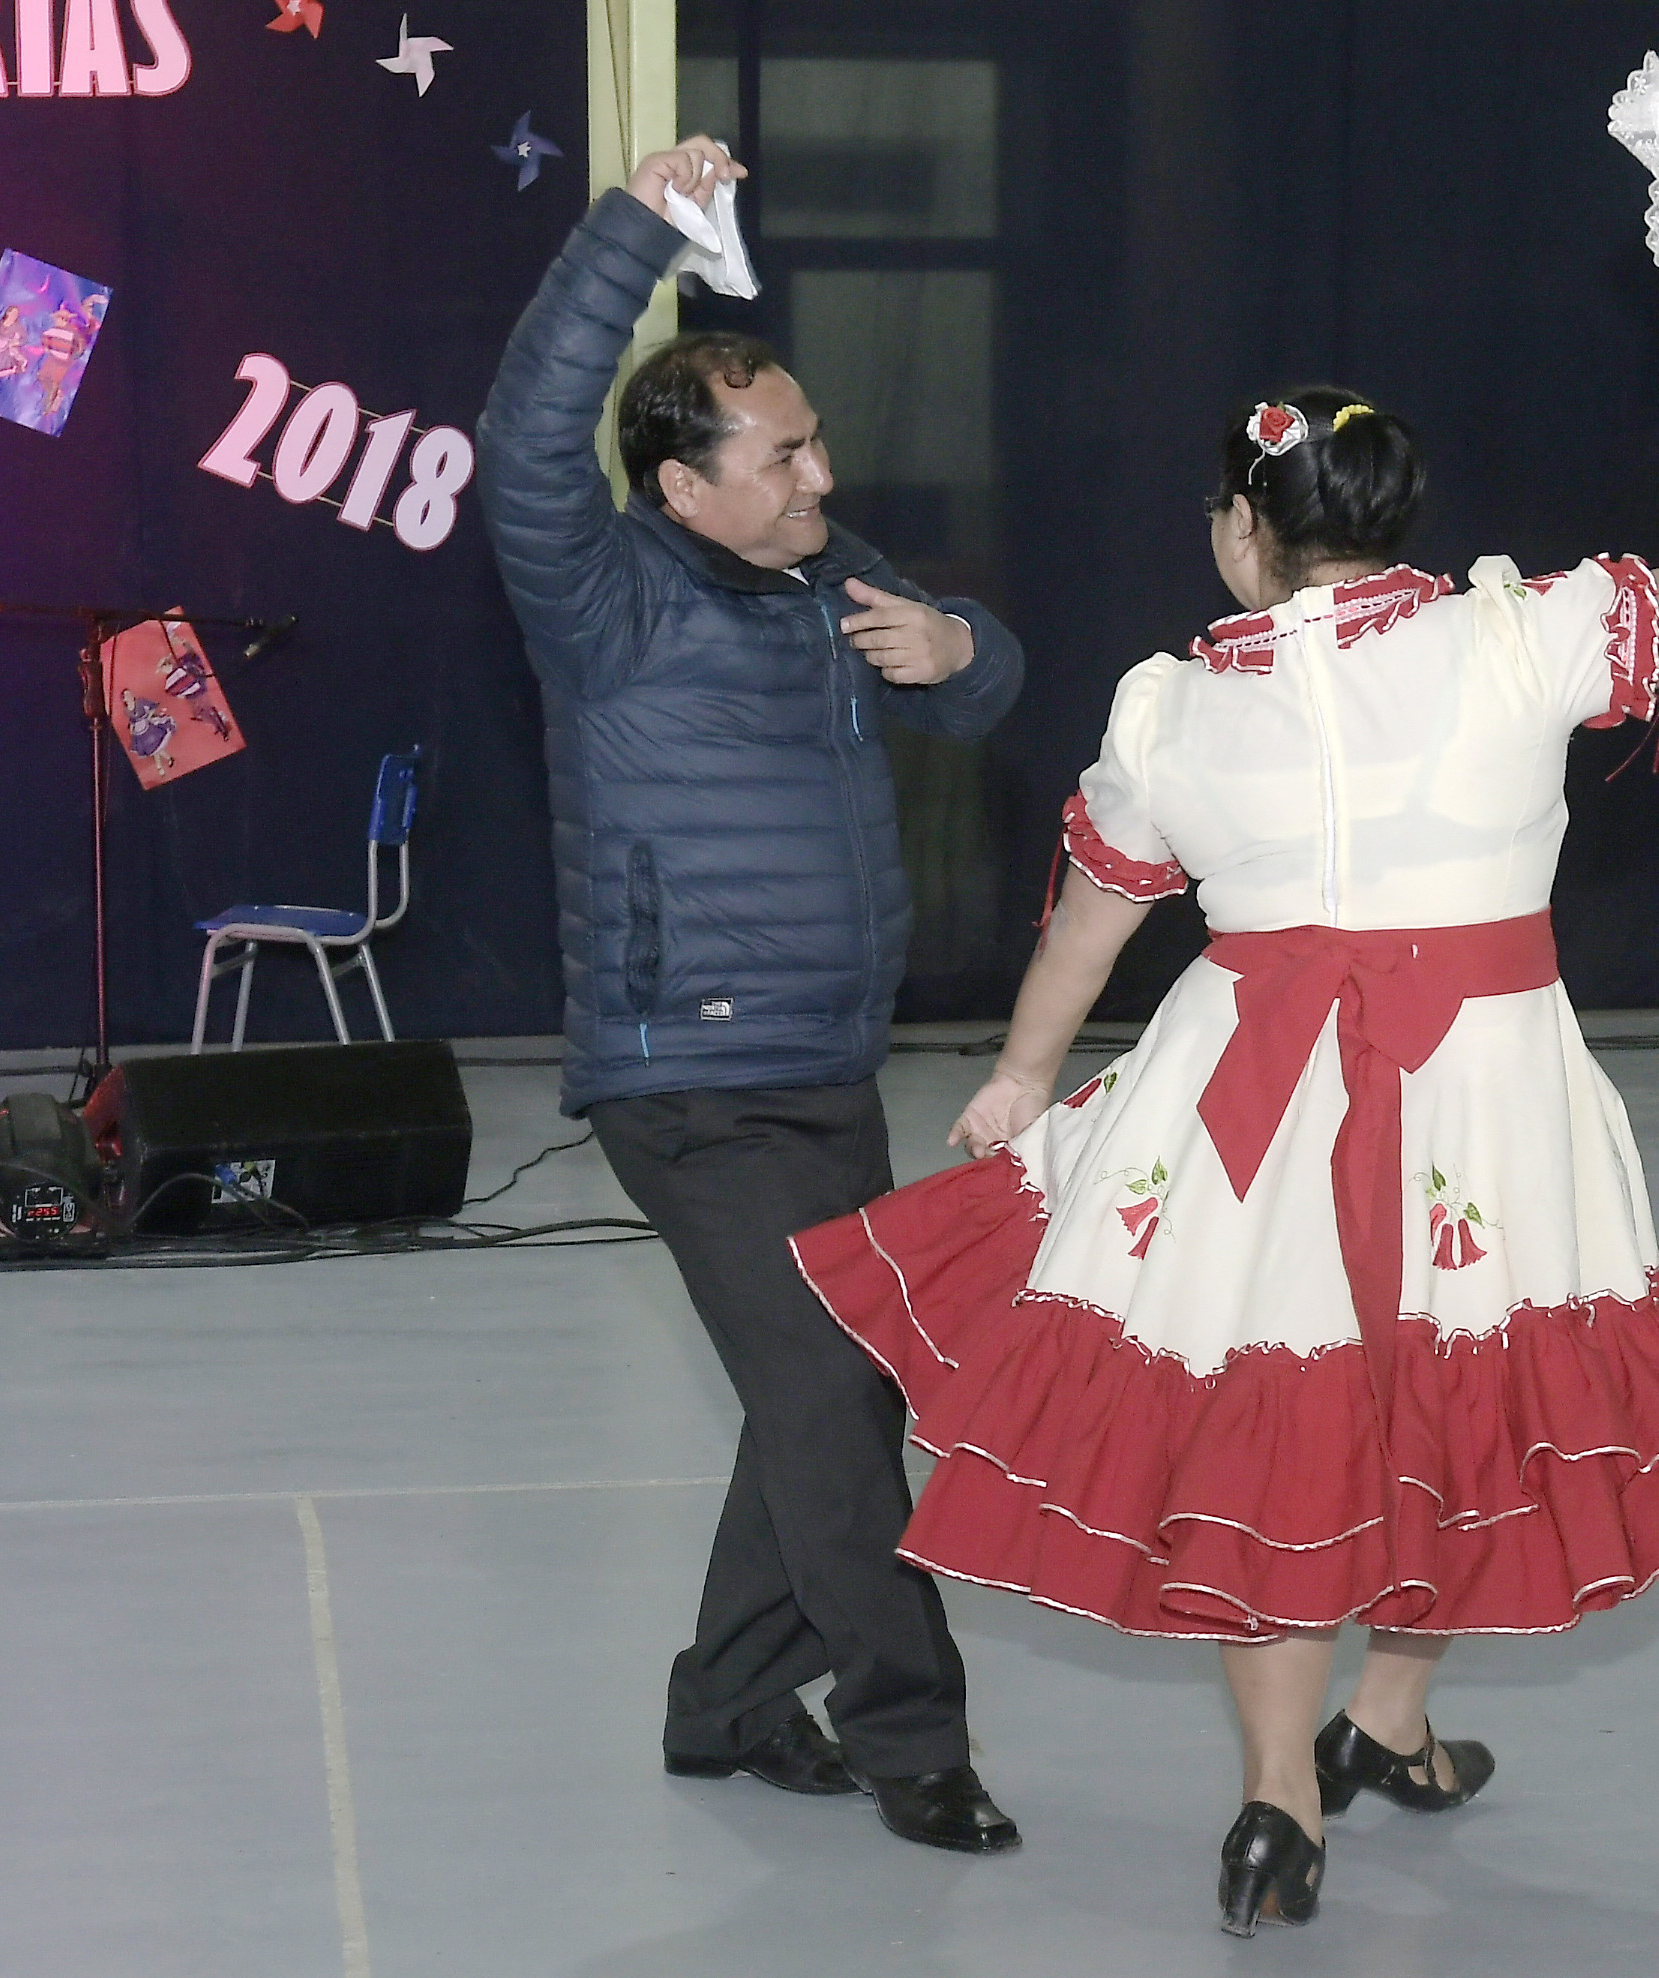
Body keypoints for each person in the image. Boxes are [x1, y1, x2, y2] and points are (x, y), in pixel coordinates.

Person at [793, 328, 1659, 1926]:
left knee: (1286, 1421)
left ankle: (1294, 1788)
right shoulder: (1522, 636)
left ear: (1244, 531)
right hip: (1484, 1103)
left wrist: (1023, 1079)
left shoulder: (1172, 709)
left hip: (1247, 1113)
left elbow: (1090, 923)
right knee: (1457, 1395)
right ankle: (1382, 1717)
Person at [476, 135, 1028, 1854]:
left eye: (816, 442)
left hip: (828, 1068)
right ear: (678, 483)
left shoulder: (826, 575)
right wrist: (636, 227)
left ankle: (724, 1700)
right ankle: (911, 1732)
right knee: (835, 1404)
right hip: (692, 1087)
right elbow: (523, 433)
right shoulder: (602, 599)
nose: (821, 474)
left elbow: (979, 689)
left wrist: (962, 646)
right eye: (783, 455)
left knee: (834, 1389)